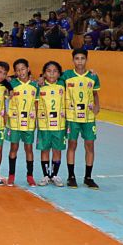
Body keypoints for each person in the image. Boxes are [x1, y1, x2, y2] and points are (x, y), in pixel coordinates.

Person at [62, 49, 100, 189]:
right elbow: (51, 78)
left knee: (89, 145)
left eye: (82, 58)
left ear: (86, 60)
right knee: (72, 144)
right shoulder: (66, 75)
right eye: (77, 58)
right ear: (73, 60)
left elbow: (95, 93)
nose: (79, 61)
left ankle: (88, 177)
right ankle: (71, 176)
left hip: (88, 117)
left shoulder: (93, 76)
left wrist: (97, 105)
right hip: (72, 116)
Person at [5, 59, 39, 187]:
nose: (21, 72)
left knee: (28, 148)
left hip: (29, 123)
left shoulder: (35, 85)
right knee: (13, 148)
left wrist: (35, 120)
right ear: (15, 72)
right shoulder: (11, 84)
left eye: (23, 69)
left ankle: (30, 176)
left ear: (28, 69)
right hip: (14, 122)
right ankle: (11, 175)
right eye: (18, 70)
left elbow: (36, 104)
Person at [36, 61, 66, 187]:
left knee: (57, 150)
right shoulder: (40, 87)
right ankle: (45, 175)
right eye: (48, 71)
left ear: (59, 74)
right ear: (44, 74)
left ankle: (54, 175)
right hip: (44, 125)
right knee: (45, 150)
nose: (52, 74)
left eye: (55, 71)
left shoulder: (63, 85)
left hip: (59, 124)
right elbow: (36, 104)